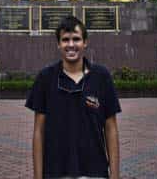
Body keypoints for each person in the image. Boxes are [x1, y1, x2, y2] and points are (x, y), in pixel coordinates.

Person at [26, 15, 120, 179]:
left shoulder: (101, 76)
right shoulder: (45, 78)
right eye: (65, 40)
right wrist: (37, 176)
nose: (71, 45)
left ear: (85, 42)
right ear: (58, 44)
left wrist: (115, 175)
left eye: (76, 39)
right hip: (55, 171)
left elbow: (111, 128)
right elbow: (38, 131)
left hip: (94, 171)